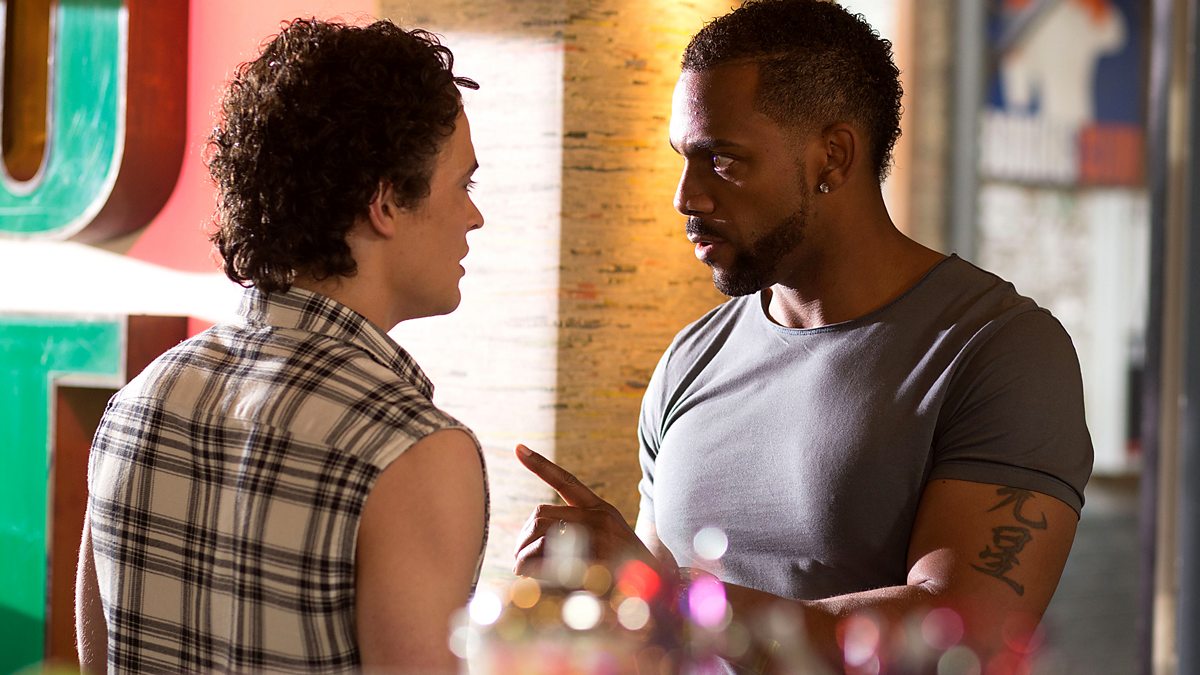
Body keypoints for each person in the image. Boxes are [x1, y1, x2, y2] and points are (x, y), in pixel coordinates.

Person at [513, 0, 1093, 670]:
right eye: (684, 159)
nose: (686, 196)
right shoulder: (690, 359)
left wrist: (661, 596)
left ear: (833, 156)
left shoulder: (1001, 350)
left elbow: (959, 635)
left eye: (721, 160)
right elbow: (659, 641)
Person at [75, 18, 487, 673]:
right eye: (464, 184)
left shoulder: (135, 406)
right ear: (384, 202)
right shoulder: (411, 449)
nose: (475, 216)